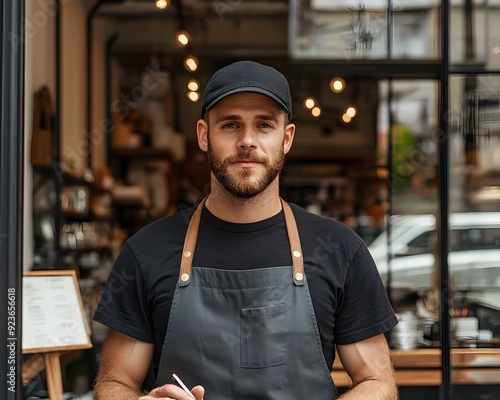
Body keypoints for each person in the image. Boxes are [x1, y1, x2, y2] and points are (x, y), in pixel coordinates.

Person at [93, 60, 399, 400]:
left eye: (264, 124)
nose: (247, 141)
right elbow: (115, 384)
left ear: (287, 138)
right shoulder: (146, 251)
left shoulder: (340, 250)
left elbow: (377, 383)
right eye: (230, 125)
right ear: (204, 135)